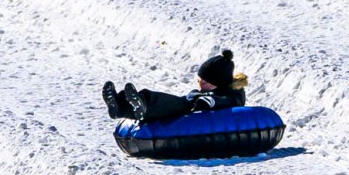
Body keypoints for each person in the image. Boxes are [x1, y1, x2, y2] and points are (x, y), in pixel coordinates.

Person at [103, 49, 247, 125]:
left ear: (220, 82)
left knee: (179, 105)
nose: (201, 83)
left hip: (203, 118)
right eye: (200, 79)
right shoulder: (203, 91)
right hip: (191, 110)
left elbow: (229, 102)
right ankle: (120, 106)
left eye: (207, 81)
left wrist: (210, 100)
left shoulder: (233, 94)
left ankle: (142, 104)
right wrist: (195, 96)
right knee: (172, 102)